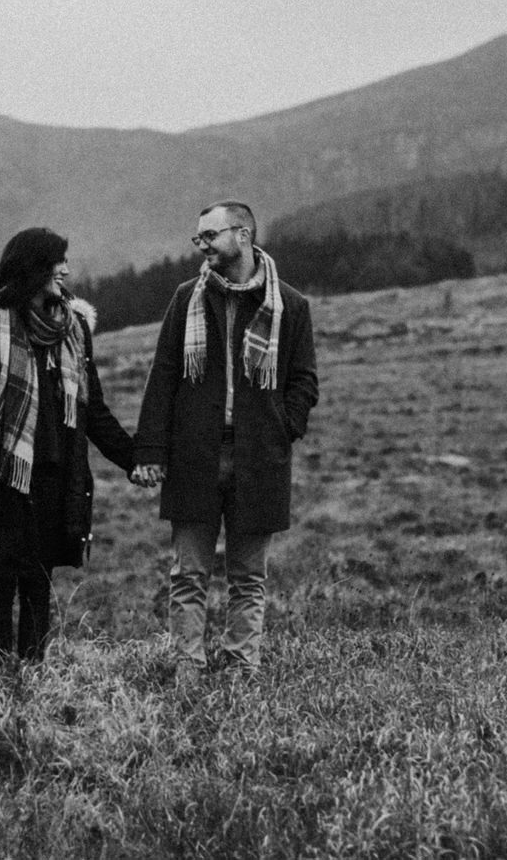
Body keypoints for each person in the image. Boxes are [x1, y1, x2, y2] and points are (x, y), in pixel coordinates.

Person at [0, 227, 137, 666]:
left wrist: (137, 460)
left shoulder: (74, 328)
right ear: (32, 268)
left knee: (39, 587)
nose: (65, 269)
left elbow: (92, 412)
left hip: (54, 480)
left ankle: (33, 682)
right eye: (55, 261)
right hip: (1, 482)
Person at [132, 200, 318, 679]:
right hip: (195, 455)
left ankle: (240, 669)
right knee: (188, 574)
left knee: (248, 576)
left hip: (259, 459)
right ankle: (188, 669)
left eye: (209, 236)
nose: (202, 246)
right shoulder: (186, 299)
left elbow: (304, 382)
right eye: (199, 238)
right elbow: (165, 376)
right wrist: (151, 450)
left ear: (242, 235)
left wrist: (282, 428)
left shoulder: (291, 306)